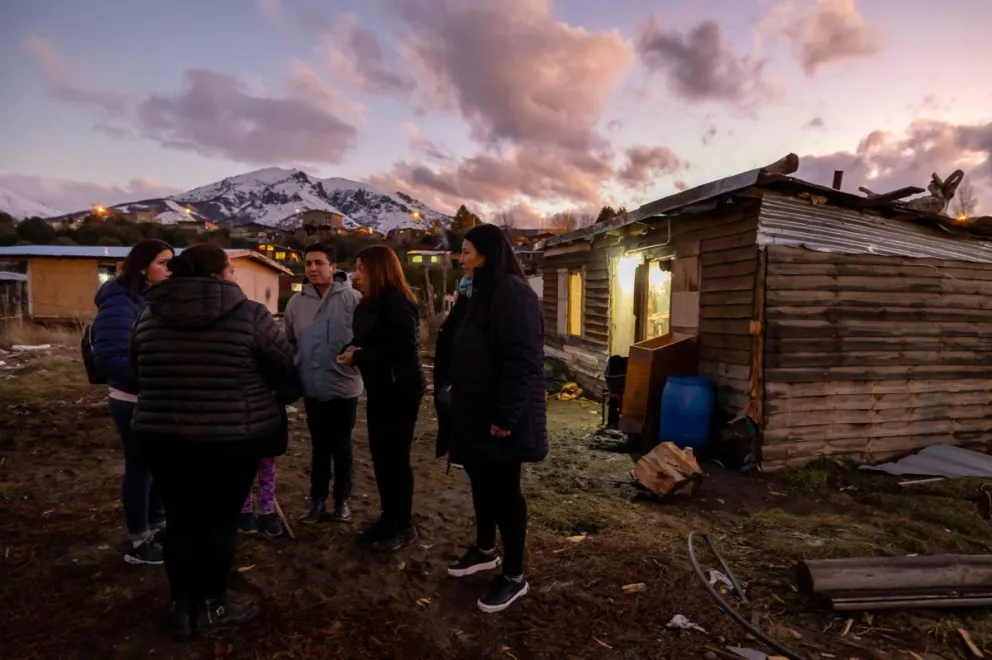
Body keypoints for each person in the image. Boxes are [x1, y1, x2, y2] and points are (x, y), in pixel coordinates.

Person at [131, 245, 295, 639]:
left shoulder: (148, 315)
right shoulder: (251, 315)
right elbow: (285, 369)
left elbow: (137, 366)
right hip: (232, 439)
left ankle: (181, 607)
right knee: (218, 523)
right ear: (220, 275)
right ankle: (213, 605)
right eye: (232, 271)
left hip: (162, 436)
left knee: (181, 519)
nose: (235, 277)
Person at [445, 223, 548, 614]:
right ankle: (486, 550)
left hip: (502, 416)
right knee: (482, 481)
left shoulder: (512, 293)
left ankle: (515, 575)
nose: (462, 257)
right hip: (476, 411)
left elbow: (523, 360)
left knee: (505, 492)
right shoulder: (481, 292)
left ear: (488, 252)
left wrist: (505, 415)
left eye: (468, 251)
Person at [91, 238, 174, 566]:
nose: (170, 270)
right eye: (163, 263)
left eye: (172, 263)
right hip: (132, 401)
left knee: (157, 468)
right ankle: (139, 541)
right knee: (140, 470)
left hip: (151, 398)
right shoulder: (120, 302)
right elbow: (110, 357)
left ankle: (157, 525)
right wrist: (152, 385)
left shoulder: (148, 298)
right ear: (142, 267)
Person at [338, 245, 425, 553]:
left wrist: (359, 356)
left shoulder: (399, 303)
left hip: (400, 390)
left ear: (378, 269)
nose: (356, 274)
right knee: (380, 456)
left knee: (395, 458)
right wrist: (351, 349)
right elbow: (364, 339)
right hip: (379, 388)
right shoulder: (367, 304)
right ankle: (389, 518)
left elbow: (402, 351)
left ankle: (403, 525)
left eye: (361, 268)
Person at [284, 244, 363, 525]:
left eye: (319, 263)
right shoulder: (296, 303)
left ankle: (342, 501)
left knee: (342, 446)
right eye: (308, 264)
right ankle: (317, 501)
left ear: (333, 266)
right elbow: (288, 343)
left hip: (344, 387)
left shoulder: (353, 299)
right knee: (318, 447)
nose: (313, 269)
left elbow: (365, 340)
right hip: (312, 387)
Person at [433, 270, 471, 467]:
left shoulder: (495, 301)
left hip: (474, 400)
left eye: (466, 253)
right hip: (455, 390)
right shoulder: (466, 296)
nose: (461, 261)